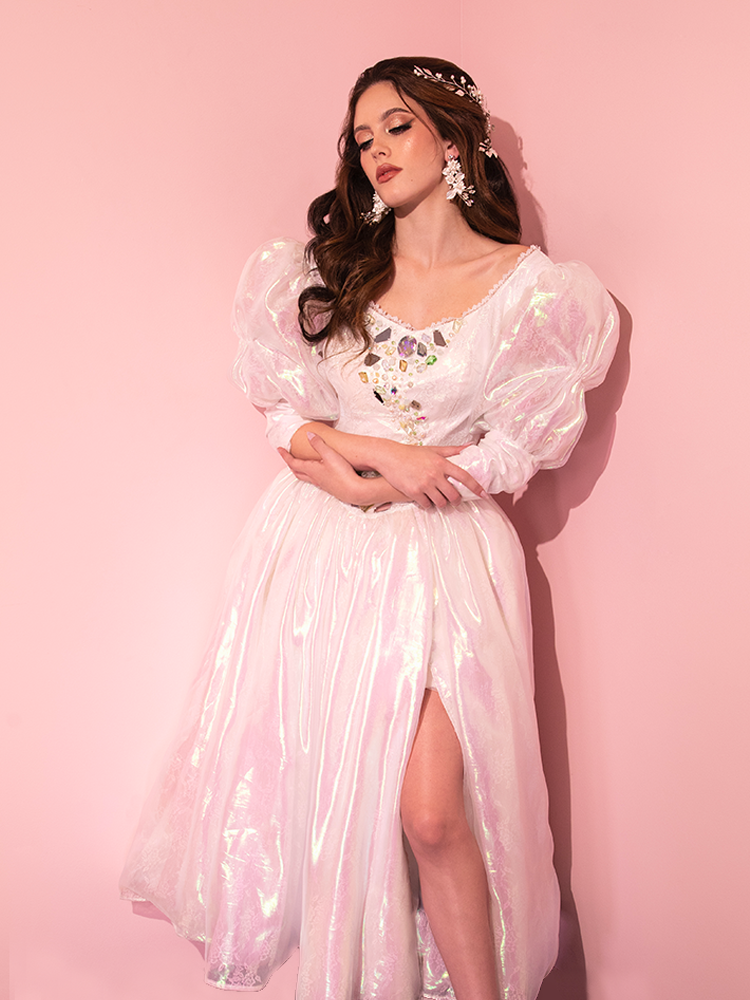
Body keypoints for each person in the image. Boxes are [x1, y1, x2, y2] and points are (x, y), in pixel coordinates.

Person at [120, 57, 619, 1000]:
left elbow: (514, 449)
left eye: (397, 126)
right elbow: (287, 424)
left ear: (453, 137)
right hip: (325, 555)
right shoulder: (328, 274)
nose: (376, 151)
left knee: (432, 813)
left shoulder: (530, 290)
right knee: (347, 809)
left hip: (444, 554)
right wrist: (380, 462)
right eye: (361, 137)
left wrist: (396, 471)